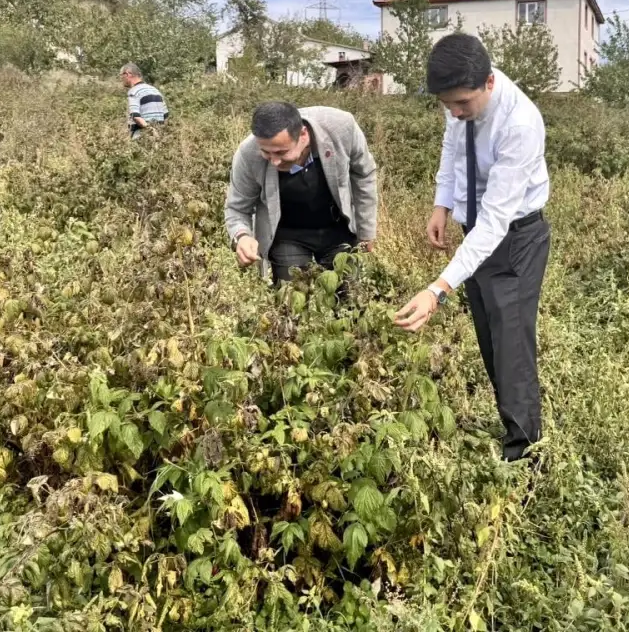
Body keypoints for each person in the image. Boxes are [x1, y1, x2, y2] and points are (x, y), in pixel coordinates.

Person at [395, 34, 550, 463]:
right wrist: (441, 204)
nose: (455, 112)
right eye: (448, 105)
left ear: (488, 83)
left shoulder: (518, 123)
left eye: (462, 104)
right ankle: (511, 424)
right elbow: (452, 151)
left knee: (511, 343)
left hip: (515, 239)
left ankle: (526, 454)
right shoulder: (460, 101)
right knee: (488, 334)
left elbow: (496, 221)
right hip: (476, 233)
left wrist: (437, 289)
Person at [224, 101, 378, 283]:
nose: (274, 161)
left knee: (348, 294)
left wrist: (366, 231)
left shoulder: (341, 128)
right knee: (293, 299)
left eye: (281, 152)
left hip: (337, 228)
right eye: (267, 153)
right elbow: (237, 208)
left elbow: (364, 174)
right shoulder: (248, 153)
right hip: (288, 233)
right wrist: (242, 236)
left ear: (303, 135)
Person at [119, 63, 168, 139]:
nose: (121, 78)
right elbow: (165, 116)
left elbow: (135, 116)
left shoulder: (134, 92)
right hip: (158, 137)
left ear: (128, 74)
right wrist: (159, 134)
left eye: (121, 75)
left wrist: (151, 131)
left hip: (142, 137)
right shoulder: (155, 90)